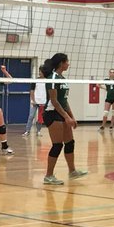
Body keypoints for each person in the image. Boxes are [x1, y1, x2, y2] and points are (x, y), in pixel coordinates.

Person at [42, 53, 87, 185]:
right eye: (67, 61)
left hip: (62, 113)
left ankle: (72, 171)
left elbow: (64, 101)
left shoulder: (63, 78)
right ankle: (48, 176)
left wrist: (72, 117)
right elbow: (54, 101)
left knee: (70, 142)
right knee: (57, 145)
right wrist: (66, 117)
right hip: (52, 113)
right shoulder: (53, 78)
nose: (68, 64)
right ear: (61, 63)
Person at [23, 65, 46, 140]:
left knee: (40, 118)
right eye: (39, 71)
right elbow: (32, 91)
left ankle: (38, 131)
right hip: (35, 101)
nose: (40, 73)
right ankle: (27, 131)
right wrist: (33, 100)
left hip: (43, 102)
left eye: (41, 71)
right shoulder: (35, 80)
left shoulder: (48, 80)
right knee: (31, 116)